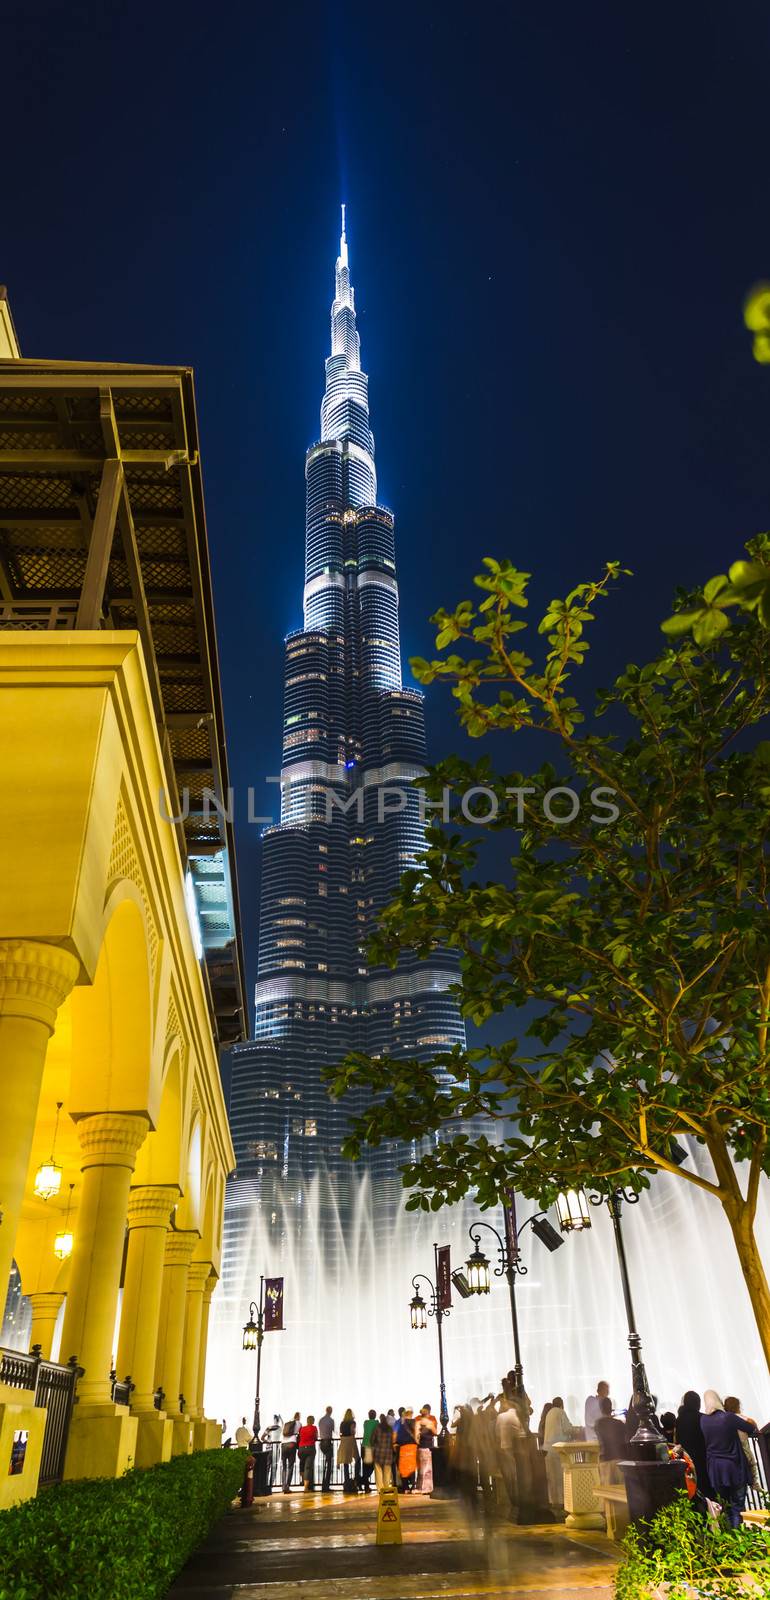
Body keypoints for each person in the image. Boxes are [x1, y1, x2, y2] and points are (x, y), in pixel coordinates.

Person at [701, 1389, 758, 1528]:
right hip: (734, 1467)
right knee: (737, 1506)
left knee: (724, 1506)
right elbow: (750, 1429)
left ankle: (729, 1539)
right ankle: (739, 1538)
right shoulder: (728, 1417)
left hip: (715, 1470)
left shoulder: (703, 1420)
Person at [675, 1391, 712, 1498]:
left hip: (687, 1458)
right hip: (703, 1457)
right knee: (706, 1486)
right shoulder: (702, 1418)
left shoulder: (679, 1419)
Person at [542, 1396, 574, 1515]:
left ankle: (553, 1501)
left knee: (551, 1477)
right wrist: (576, 1430)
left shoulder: (549, 1413)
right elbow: (567, 1429)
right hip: (557, 1449)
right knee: (560, 1476)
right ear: (561, 1404)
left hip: (547, 1449)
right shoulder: (560, 1412)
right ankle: (561, 1502)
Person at [724, 1397, 760, 1494]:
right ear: (737, 1406)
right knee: (752, 1462)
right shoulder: (738, 1417)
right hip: (743, 1445)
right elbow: (751, 1422)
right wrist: (757, 1430)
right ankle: (754, 1483)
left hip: (733, 1450)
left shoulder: (725, 1418)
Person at [496, 1399, 525, 1513]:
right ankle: (519, 1497)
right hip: (518, 1448)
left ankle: (512, 1499)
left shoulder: (501, 1417)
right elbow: (523, 1432)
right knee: (517, 1472)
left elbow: (497, 1432)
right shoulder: (519, 1416)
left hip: (505, 1447)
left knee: (509, 1474)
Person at [594, 1397, 628, 1464]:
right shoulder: (619, 1423)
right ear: (611, 1408)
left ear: (601, 1409)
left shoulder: (598, 1424)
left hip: (606, 1459)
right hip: (620, 1459)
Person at [338, 1407, 361, 1494]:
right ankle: (356, 1479)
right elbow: (353, 1432)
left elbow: (340, 1432)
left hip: (343, 1441)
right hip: (351, 1440)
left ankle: (347, 1481)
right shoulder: (353, 1422)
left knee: (345, 1462)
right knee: (357, 1459)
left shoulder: (342, 1423)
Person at [395, 1408, 418, 1491]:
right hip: (412, 1446)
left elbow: (395, 1434)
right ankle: (413, 1485)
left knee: (403, 1466)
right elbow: (416, 1434)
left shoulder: (399, 1422)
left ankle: (405, 1486)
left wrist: (394, 1443)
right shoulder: (414, 1422)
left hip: (403, 1447)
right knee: (411, 1466)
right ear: (411, 1414)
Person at [416, 1403, 437, 1495]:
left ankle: (420, 1487)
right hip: (429, 1447)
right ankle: (427, 1488)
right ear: (428, 1413)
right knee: (428, 1469)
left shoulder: (418, 1422)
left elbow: (416, 1437)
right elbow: (436, 1433)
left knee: (421, 1469)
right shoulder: (430, 1423)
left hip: (420, 1447)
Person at [372, 1413, 394, 1490]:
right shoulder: (390, 1429)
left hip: (378, 1452)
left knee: (378, 1471)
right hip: (388, 1453)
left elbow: (372, 1439)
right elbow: (393, 1441)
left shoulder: (377, 1428)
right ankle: (386, 1488)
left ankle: (380, 1489)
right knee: (387, 1472)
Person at [297, 1414, 318, 1490]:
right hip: (310, 1448)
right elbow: (315, 1437)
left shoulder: (302, 1428)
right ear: (313, 1421)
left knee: (302, 1465)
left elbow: (300, 1437)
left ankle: (302, 1481)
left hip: (301, 1449)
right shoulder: (314, 1428)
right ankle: (306, 1487)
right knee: (308, 1467)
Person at [281, 1412, 300, 1492]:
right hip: (292, 1444)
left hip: (283, 1444)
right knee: (290, 1466)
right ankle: (287, 1486)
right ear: (298, 1417)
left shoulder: (287, 1423)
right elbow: (300, 1433)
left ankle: (283, 1485)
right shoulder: (298, 1423)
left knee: (284, 1466)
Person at [318, 1405, 335, 1491]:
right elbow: (333, 1430)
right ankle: (326, 1485)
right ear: (331, 1411)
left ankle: (323, 1483)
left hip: (321, 1443)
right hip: (328, 1442)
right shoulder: (331, 1420)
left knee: (325, 1463)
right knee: (329, 1464)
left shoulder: (321, 1420)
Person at [361, 1408, 378, 1493]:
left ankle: (365, 1486)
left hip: (363, 1446)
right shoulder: (376, 1423)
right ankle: (361, 1480)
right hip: (371, 1447)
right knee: (371, 1466)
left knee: (365, 1467)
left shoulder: (365, 1423)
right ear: (375, 1416)